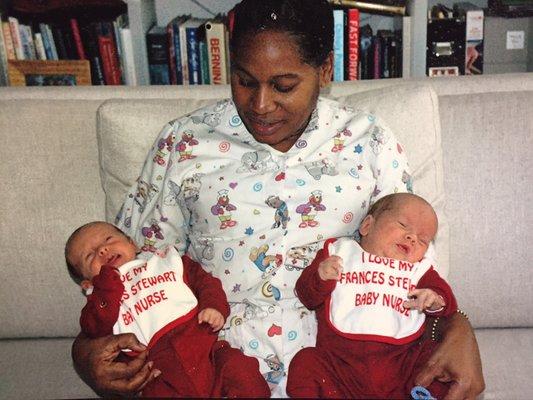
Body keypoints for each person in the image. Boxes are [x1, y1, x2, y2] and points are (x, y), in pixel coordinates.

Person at [71, 0, 484, 397]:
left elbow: (412, 271)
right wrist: (84, 354)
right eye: (244, 80)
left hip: (351, 376)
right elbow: (126, 275)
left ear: (324, 70)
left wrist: (456, 328)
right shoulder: (182, 144)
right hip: (214, 376)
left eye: (283, 85)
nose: (261, 104)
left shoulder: (370, 143)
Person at [65, 221, 270, 398]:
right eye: (90, 256)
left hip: (208, 354)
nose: (102, 250)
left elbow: (205, 282)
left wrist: (213, 306)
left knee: (241, 372)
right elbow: (94, 329)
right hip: (158, 374)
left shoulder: (167, 262)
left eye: (108, 240)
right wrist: (106, 286)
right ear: (85, 285)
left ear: (132, 243)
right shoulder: (97, 302)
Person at [286, 193, 458, 398]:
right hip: (339, 371)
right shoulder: (340, 255)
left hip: (401, 369)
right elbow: (306, 295)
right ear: (367, 225)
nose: (412, 238)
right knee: (306, 362)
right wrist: (320, 275)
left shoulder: (418, 272)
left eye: (422, 240)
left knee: (436, 364)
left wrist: (435, 299)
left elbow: (447, 302)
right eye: (403, 225)